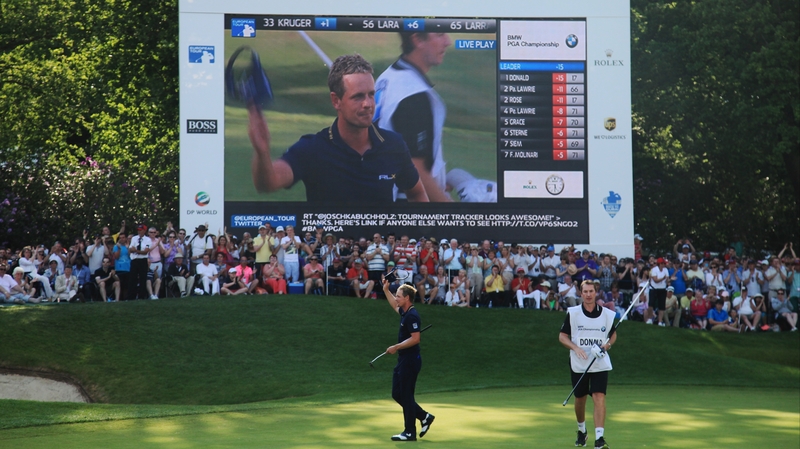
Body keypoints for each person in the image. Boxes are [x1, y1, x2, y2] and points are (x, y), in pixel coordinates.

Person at [248, 54, 428, 203]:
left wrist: (421, 235)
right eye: (358, 97)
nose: (368, 104)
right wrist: (262, 152)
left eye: (371, 95)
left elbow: (417, 193)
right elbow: (267, 184)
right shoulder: (312, 149)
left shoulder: (393, 145)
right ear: (336, 101)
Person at [559, 280, 616, 449]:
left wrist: (606, 346)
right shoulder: (573, 313)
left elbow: (613, 335)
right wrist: (575, 348)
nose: (589, 294)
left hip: (599, 363)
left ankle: (599, 438)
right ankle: (581, 431)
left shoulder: (606, 314)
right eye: (585, 291)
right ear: (581, 293)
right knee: (580, 398)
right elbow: (562, 336)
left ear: (596, 292)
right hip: (579, 363)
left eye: (591, 291)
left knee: (599, 396)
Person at [380, 278, 434, 441]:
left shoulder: (412, 316)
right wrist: (385, 291)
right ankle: (424, 416)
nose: (396, 298)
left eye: (398, 296)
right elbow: (395, 306)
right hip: (404, 360)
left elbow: (415, 338)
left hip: (410, 360)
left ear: (407, 298)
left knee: (406, 395)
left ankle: (409, 431)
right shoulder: (405, 312)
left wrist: (396, 346)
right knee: (397, 393)